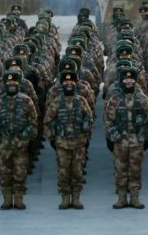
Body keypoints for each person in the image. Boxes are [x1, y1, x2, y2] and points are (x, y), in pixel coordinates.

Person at [104, 68, 148, 209]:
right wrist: (111, 137)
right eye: (126, 80)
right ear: (121, 81)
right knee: (120, 170)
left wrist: (147, 137)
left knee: (135, 170)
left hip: (137, 141)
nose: (129, 82)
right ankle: (121, 198)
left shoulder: (142, 99)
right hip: (120, 142)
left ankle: (135, 197)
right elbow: (108, 120)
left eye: (131, 80)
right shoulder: (114, 100)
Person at [44, 70, 94, 210]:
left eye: (71, 82)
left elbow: (89, 119)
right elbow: (47, 121)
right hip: (62, 144)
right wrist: (52, 139)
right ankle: (65, 198)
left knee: (77, 171)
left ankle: (76, 198)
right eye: (66, 82)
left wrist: (86, 136)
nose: (69, 84)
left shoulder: (81, 101)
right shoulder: (56, 102)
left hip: (79, 143)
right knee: (63, 172)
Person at [0, 70, 38, 210]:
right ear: (5, 84)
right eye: (9, 82)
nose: (12, 84)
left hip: (20, 143)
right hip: (4, 143)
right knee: (4, 173)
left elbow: (33, 121)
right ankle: (6, 200)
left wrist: (26, 136)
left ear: (18, 84)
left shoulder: (26, 100)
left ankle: (18, 199)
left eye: (14, 82)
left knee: (20, 172)